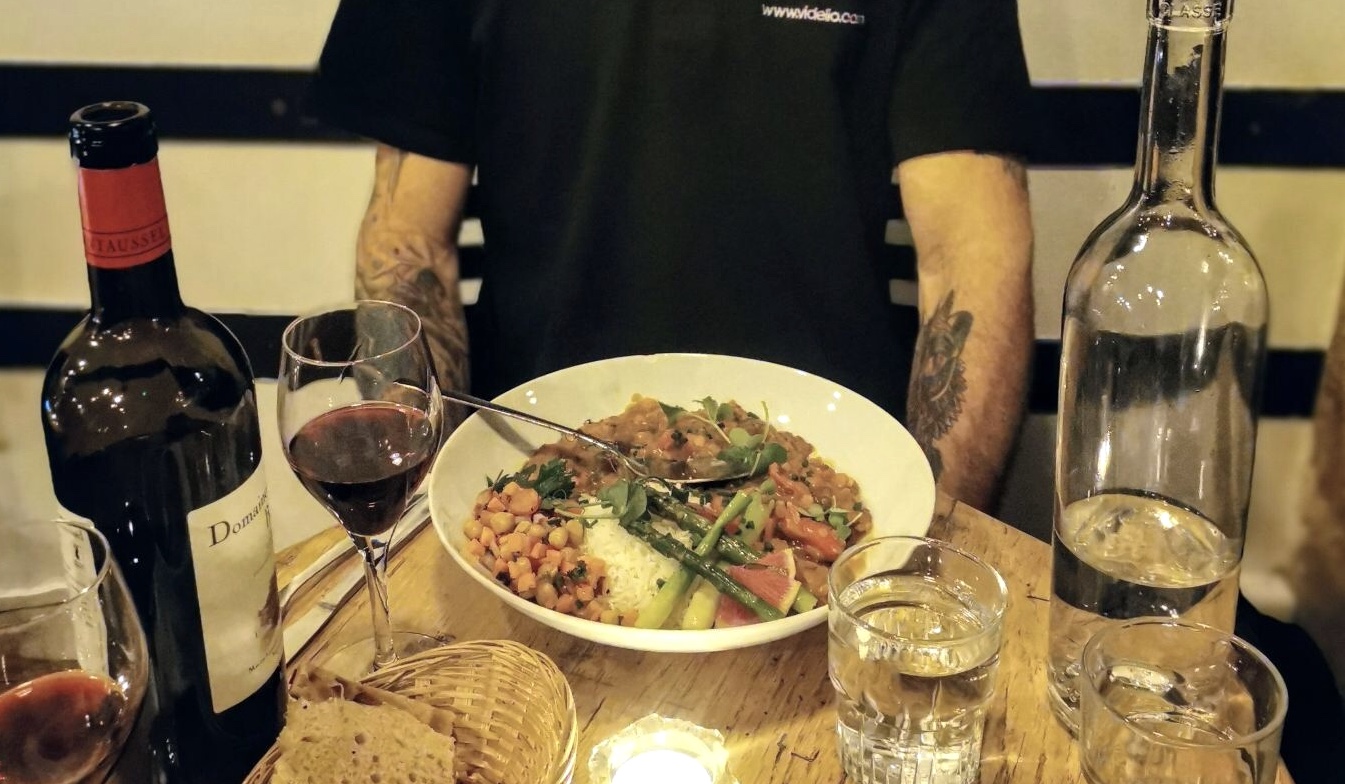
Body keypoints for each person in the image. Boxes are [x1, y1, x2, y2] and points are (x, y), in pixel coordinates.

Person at [309, 1, 1036, 512]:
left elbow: (971, 253)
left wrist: (927, 552)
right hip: (532, 476)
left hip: (832, 484)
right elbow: (407, 242)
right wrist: (427, 510)